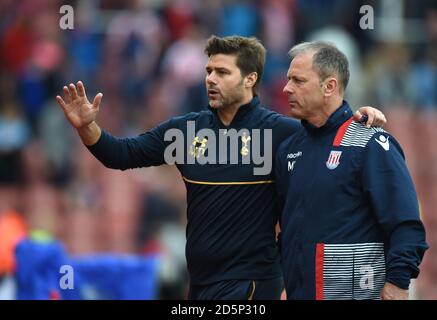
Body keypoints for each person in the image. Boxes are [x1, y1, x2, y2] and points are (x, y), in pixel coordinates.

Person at [56, 35, 385, 300]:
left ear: (250, 79)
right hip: (200, 282)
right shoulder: (185, 132)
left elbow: (330, 133)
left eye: (222, 72)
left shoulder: (282, 133)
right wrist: (87, 127)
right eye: (208, 71)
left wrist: (361, 116)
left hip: (254, 283)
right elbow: (121, 155)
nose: (211, 79)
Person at [275, 41, 428, 300]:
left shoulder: (370, 143)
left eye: (298, 80)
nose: (286, 88)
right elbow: (289, 230)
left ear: (329, 86)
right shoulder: (289, 148)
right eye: (288, 79)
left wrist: (398, 283)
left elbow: (405, 222)